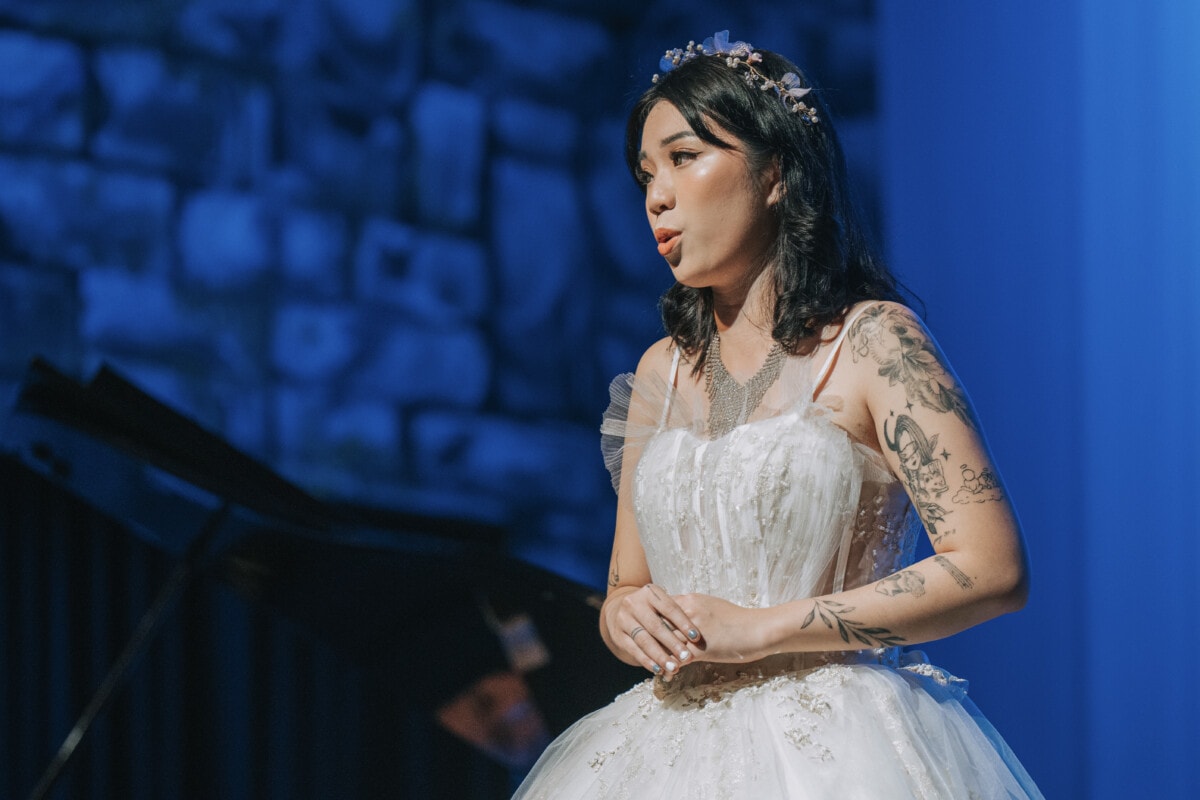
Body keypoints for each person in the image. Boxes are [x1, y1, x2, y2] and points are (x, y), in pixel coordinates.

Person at [513, 31, 1042, 799]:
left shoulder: (872, 343)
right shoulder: (660, 374)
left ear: (776, 173)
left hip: (838, 746)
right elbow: (626, 585)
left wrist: (764, 626)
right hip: (663, 751)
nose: (657, 195)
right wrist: (623, 620)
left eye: (685, 157)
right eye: (644, 174)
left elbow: (991, 568)